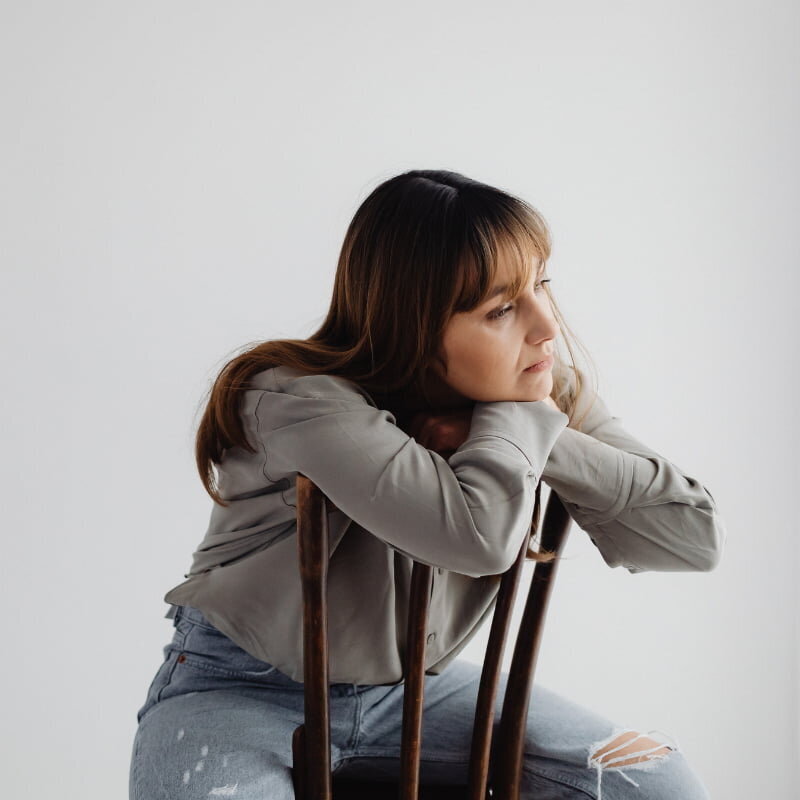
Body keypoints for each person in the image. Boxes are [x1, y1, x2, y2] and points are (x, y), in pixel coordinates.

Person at [128, 169, 725, 799]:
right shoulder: (295, 398)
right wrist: (517, 422)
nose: (546, 326)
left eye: (540, 284)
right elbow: (476, 538)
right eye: (500, 308)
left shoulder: (536, 391)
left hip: (415, 693)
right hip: (243, 685)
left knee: (656, 782)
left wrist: (528, 430)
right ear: (412, 324)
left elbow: (693, 538)